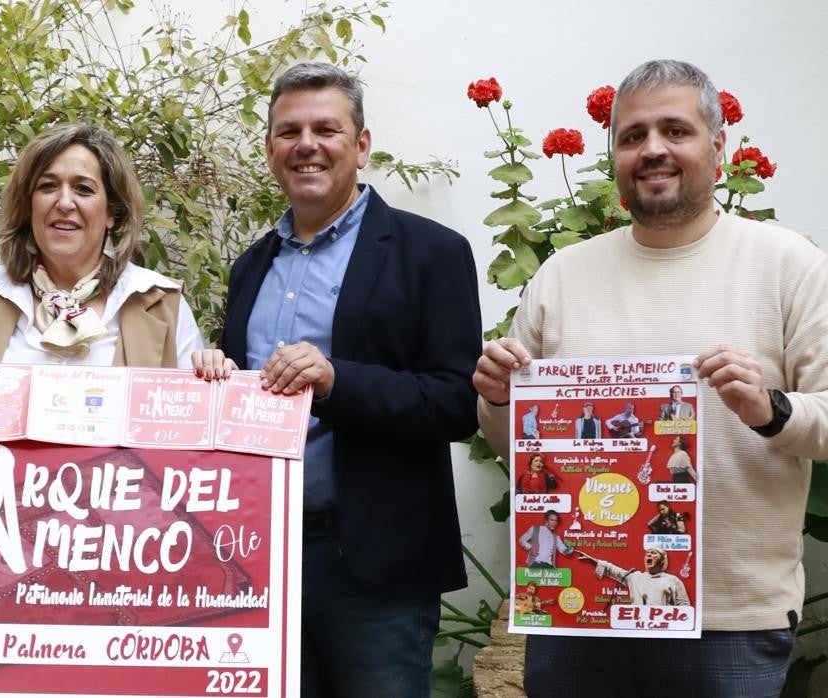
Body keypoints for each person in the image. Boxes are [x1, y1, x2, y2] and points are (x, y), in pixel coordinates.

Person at [472, 59, 828, 696]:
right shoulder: (561, 274)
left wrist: (771, 410)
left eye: (675, 130)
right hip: (582, 614)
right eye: (633, 136)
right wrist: (500, 399)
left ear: (717, 147)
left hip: (730, 622)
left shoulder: (789, 266)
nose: (653, 150)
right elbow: (515, 445)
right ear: (615, 155)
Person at [221, 62, 481, 697]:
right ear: (270, 150)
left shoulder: (431, 252)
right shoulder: (249, 269)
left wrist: (338, 381)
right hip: (260, 558)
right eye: (289, 132)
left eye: (326, 128)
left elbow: (456, 403)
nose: (306, 144)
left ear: (361, 145)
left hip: (375, 564)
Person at [0, 122, 229, 375]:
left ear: (112, 213)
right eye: (48, 186)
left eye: (83, 189)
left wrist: (213, 380)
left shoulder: (162, 304)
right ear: (28, 206)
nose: (64, 203)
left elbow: (188, 431)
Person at [576, 547, 689, 606]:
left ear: (662, 560)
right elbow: (612, 569)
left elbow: (684, 607)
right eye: (647, 553)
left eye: (654, 553)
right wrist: (592, 561)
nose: (649, 554)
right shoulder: (634, 577)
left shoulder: (673, 580)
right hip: (637, 627)